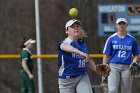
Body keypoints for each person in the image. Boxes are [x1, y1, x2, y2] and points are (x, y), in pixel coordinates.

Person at [58, 19, 96, 93]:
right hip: (66, 81)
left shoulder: (81, 43)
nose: (76, 28)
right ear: (67, 31)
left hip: (81, 77)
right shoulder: (64, 42)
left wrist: (98, 70)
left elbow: (88, 60)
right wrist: (80, 53)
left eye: (78, 26)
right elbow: (64, 47)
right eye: (72, 26)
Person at [102, 18, 140, 93]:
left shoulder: (132, 39)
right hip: (113, 67)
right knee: (112, 90)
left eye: (123, 24)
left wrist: (134, 62)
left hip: (127, 67)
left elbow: (137, 54)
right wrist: (104, 68)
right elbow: (106, 55)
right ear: (116, 25)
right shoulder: (111, 38)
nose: (121, 25)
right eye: (120, 24)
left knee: (126, 91)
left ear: (126, 25)